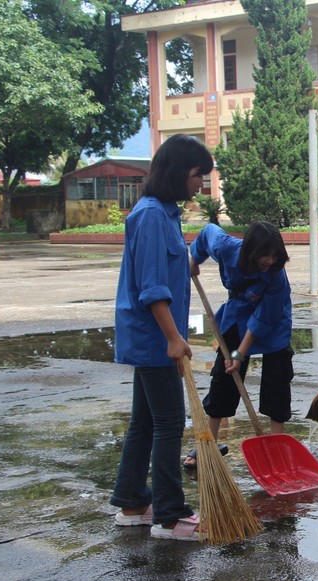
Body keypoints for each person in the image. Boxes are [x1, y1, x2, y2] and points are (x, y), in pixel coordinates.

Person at [110, 133, 213, 542]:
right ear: (177, 172)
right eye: (197, 175)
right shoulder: (152, 215)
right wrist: (173, 338)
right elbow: (152, 288)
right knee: (169, 422)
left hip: (152, 336)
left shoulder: (164, 214)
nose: (200, 184)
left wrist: (184, 262)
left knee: (145, 421)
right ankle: (170, 516)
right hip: (154, 337)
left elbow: (159, 268)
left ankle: (133, 502)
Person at [186, 220, 293, 469]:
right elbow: (206, 234)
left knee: (277, 379)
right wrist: (194, 260)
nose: (269, 260)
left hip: (273, 320)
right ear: (250, 250)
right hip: (238, 314)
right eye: (265, 255)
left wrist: (240, 353)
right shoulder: (225, 247)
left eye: (275, 255)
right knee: (224, 375)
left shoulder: (276, 275)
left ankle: (276, 444)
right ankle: (209, 443)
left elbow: (264, 318)